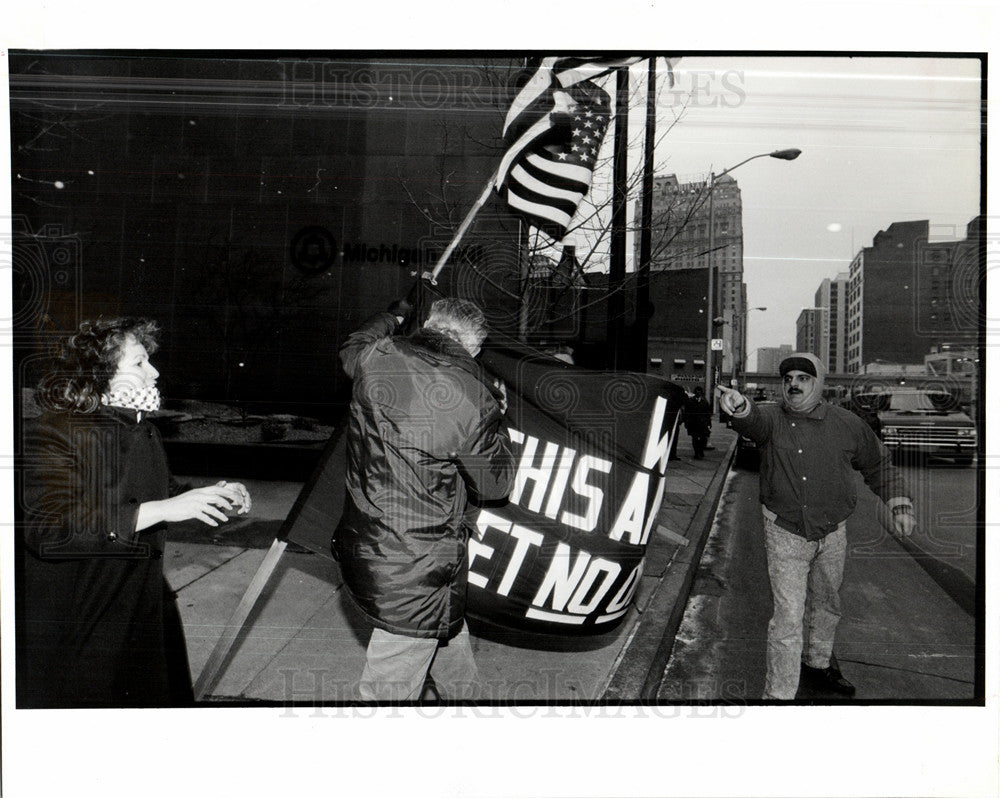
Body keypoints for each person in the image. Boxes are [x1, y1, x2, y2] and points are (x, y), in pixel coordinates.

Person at [18, 317, 251, 708]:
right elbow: (50, 530)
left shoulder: (140, 429)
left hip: (142, 603)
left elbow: (152, 494)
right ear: (98, 376)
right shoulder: (52, 433)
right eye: (140, 363)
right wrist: (165, 507)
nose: (155, 372)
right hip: (86, 614)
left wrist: (208, 495)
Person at [332, 297, 515, 702]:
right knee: (387, 690)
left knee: (447, 642)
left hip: (369, 544)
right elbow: (495, 484)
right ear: (475, 348)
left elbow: (353, 343)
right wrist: (498, 424)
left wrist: (394, 313)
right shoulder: (472, 397)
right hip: (419, 565)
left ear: (429, 323)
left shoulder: (376, 356)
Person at [716, 352, 916, 700]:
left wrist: (899, 504)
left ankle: (819, 663)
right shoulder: (772, 419)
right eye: (788, 378)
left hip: (833, 532)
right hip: (785, 533)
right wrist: (740, 407)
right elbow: (752, 421)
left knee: (827, 604)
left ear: (818, 383)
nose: (794, 384)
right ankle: (778, 696)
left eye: (803, 378)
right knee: (788, 618)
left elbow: (879, 466)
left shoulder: (847, 423)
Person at [683, 386, 712, 459]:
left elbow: (708, 414)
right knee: (695, 438)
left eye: (699, 392)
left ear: (701, 393)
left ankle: (701, 450)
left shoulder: (705, 402)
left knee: (703, 438)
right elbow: (687, 413)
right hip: (693, 423)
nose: (698, 393)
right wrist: (686, 423)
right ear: (695, 393)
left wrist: (709, 423)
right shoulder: (690, 401)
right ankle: (696, 453)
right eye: (697, 392)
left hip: (703, 423)